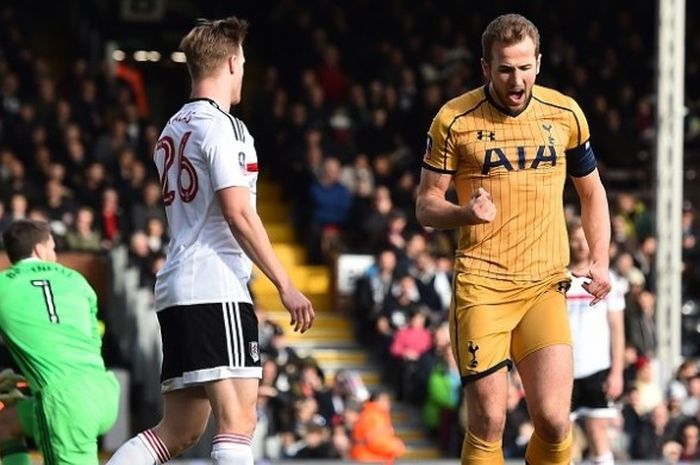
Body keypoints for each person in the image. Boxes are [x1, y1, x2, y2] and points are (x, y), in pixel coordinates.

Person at [106, 16, 314, 465]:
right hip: (215, 284)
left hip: (180, 286)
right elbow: (239, 211)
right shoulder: (226, 128)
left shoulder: (172, 128)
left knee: (178, 431)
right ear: (233, 61)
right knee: (239, 422)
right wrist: (285, 284)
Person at [415, 13, 611, 465]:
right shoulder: (454, 120)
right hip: (483, 288)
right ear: (486, 68)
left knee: (556, 422)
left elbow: (592, 191)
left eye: (524, 67)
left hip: (544, 286)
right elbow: (426, 205)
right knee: (488, 425)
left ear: (538, 64)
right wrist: (465, 213)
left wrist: (600, 260)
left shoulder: (565, 114)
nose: (516, 79)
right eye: (505, 69)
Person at [0, 219, 120, 465]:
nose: (54, 255)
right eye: (53, 248)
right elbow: (88, 340)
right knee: (5, 423)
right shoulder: (78, 280)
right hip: (103, 390)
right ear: (39, 250)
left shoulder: (4, 284)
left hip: (65, 404)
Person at [567, 219, 625, 465]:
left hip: (596, 367)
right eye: (575, 239)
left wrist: (617, 372)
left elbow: (617, 328)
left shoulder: (606, 279)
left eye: (584, 239)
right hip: (562, 369)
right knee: (560, 438)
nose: (580, 245)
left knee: (597, 432)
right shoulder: (557, 278)